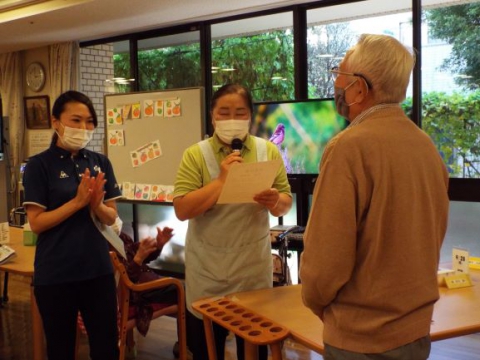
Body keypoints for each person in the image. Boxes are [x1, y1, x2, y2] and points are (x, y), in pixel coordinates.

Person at [299, 34, 450, 360]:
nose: (336, 83)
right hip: (416, 330)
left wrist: (316, 301)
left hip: (361, 337)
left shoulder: (348, 147)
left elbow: (326, 261)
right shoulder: (426, 147)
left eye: (339, 73)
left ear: (359, 88)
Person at [173, 83, 293, 360]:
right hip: (208, 270)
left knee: (254, 350)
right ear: (213, 117)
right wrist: (222, 181)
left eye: (240, 113)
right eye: (224, 113)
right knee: (207, 349)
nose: (232, 120)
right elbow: (182, 209)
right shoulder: (196, 154)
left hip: (252, 269)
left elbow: (285, 201)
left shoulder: (268, 151)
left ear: (250, 117)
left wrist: (274, 200)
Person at [23, 90, 122, 360]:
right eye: (76, 120)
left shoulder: (100, 162)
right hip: (56, 273)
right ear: (56, 122)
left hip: (98, 270)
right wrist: (76, 203)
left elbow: (112, 217)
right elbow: (36, 223)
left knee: (106, 347)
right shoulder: (38, 165)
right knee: (61, 349)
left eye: (89, 121)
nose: (84, 128)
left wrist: (96, 206)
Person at [110, 217, 178, 336]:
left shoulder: (119, 236)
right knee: (183, 292)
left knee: (180, 289)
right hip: (133, 294)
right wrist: (138, 259)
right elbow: (124, 282)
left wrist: (157, 246)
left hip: (142, 282)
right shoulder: (103, 246)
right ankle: (187, 347)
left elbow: (136, 251)